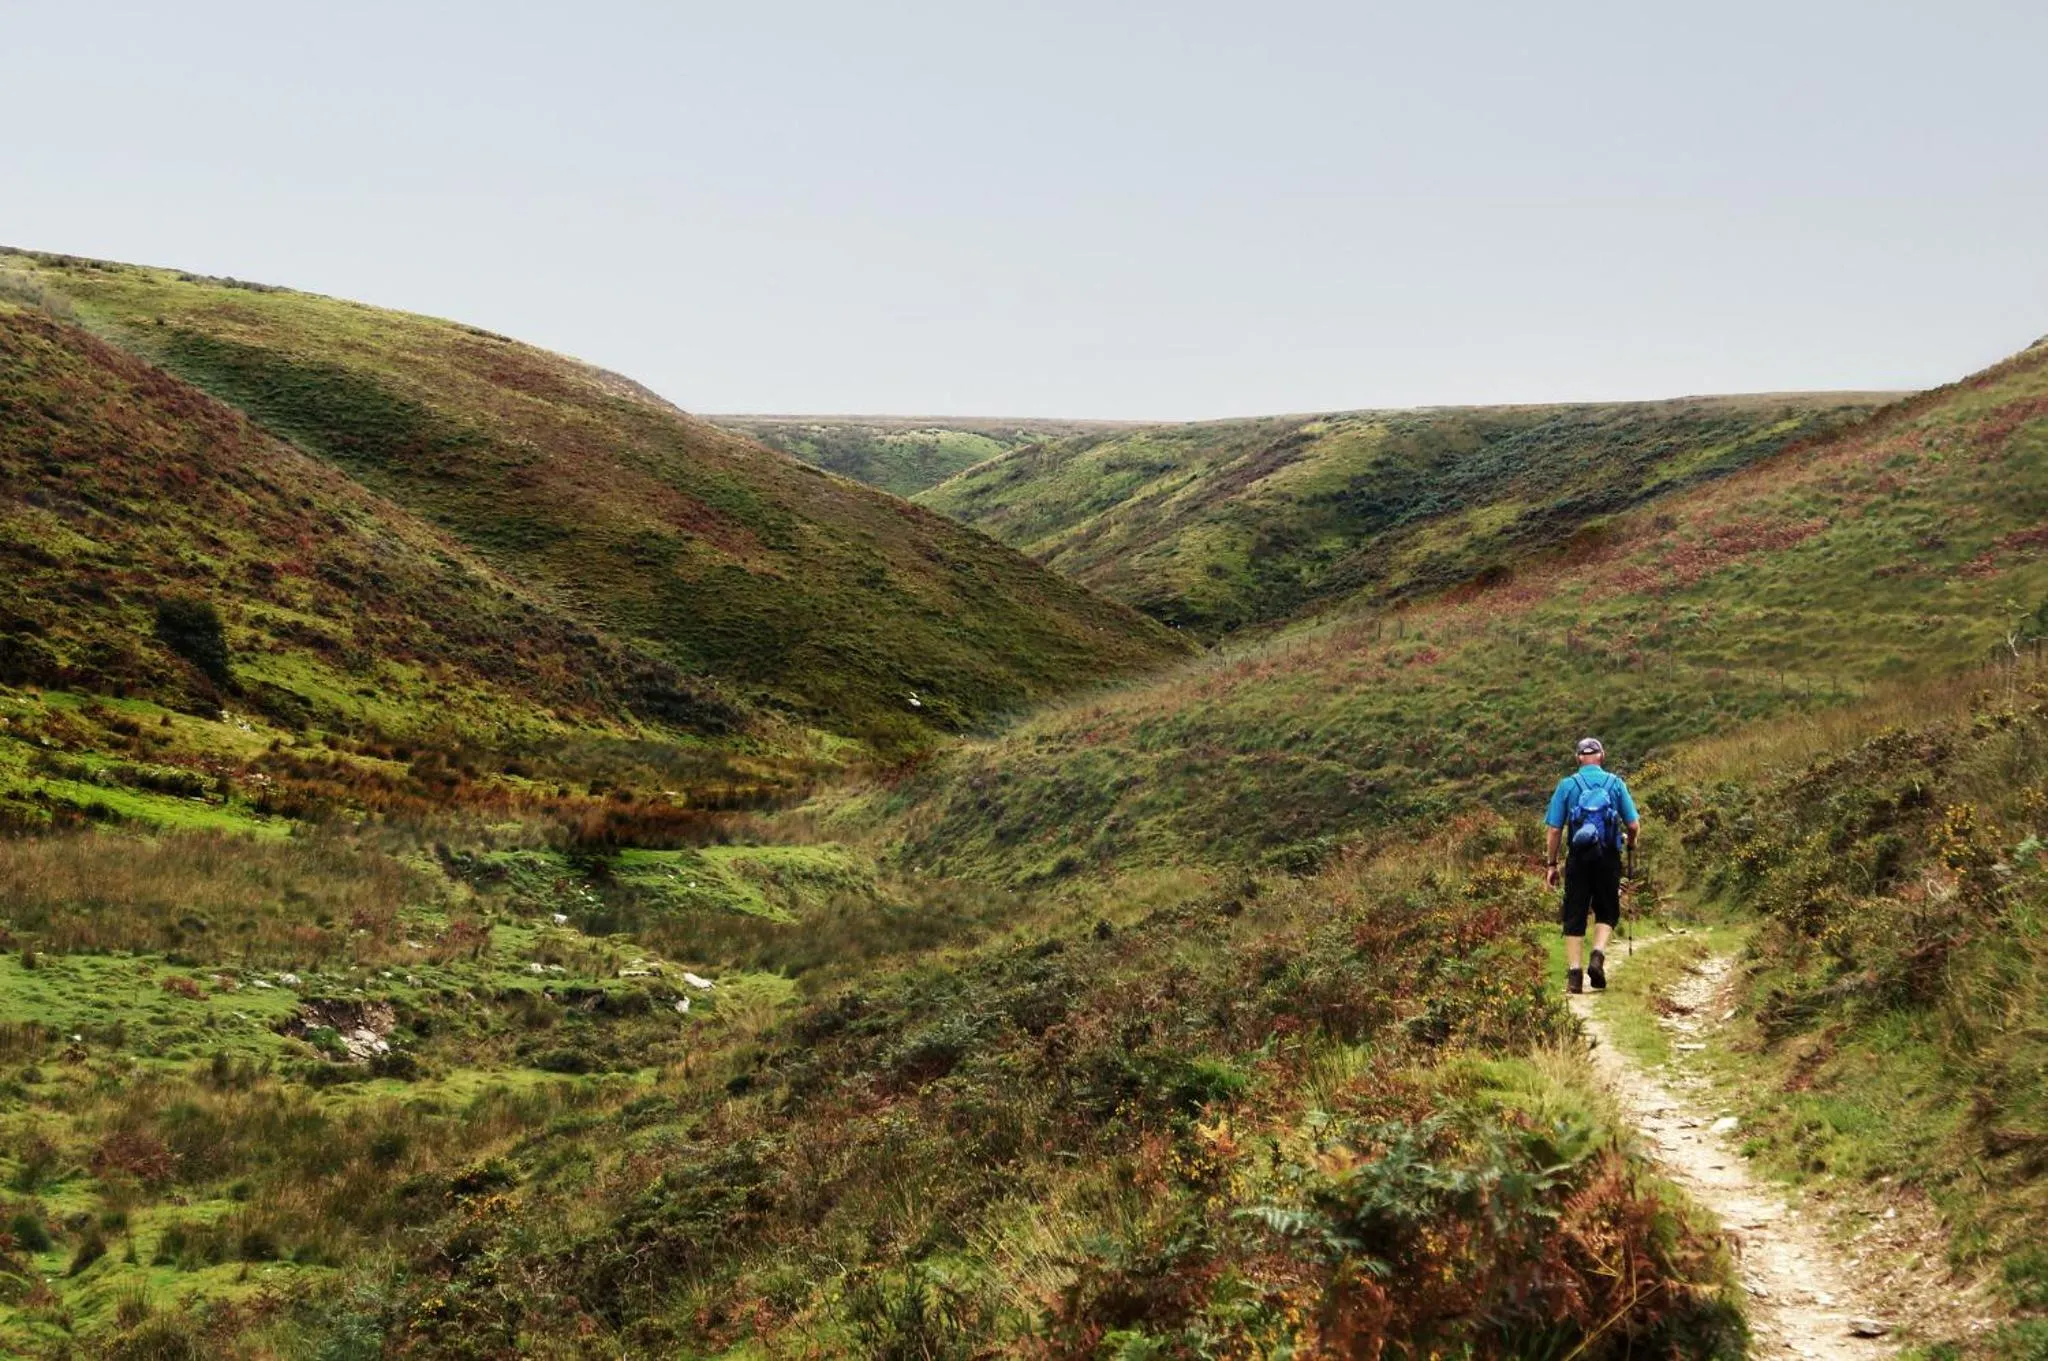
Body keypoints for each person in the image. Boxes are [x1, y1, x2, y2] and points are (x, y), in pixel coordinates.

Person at [1543, 737, 1640, 994]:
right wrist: (1631, 843)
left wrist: (1551, 864)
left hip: (1578, 858)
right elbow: (1633, 824)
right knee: (1607, 910)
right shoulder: (1616, 784)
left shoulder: (1567, 786)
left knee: (1575, 912)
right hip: (1608, 857)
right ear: (1602, 756)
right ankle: (1597, 956)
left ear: (1578, 758)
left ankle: (1574, 976)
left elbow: (1554, 829)